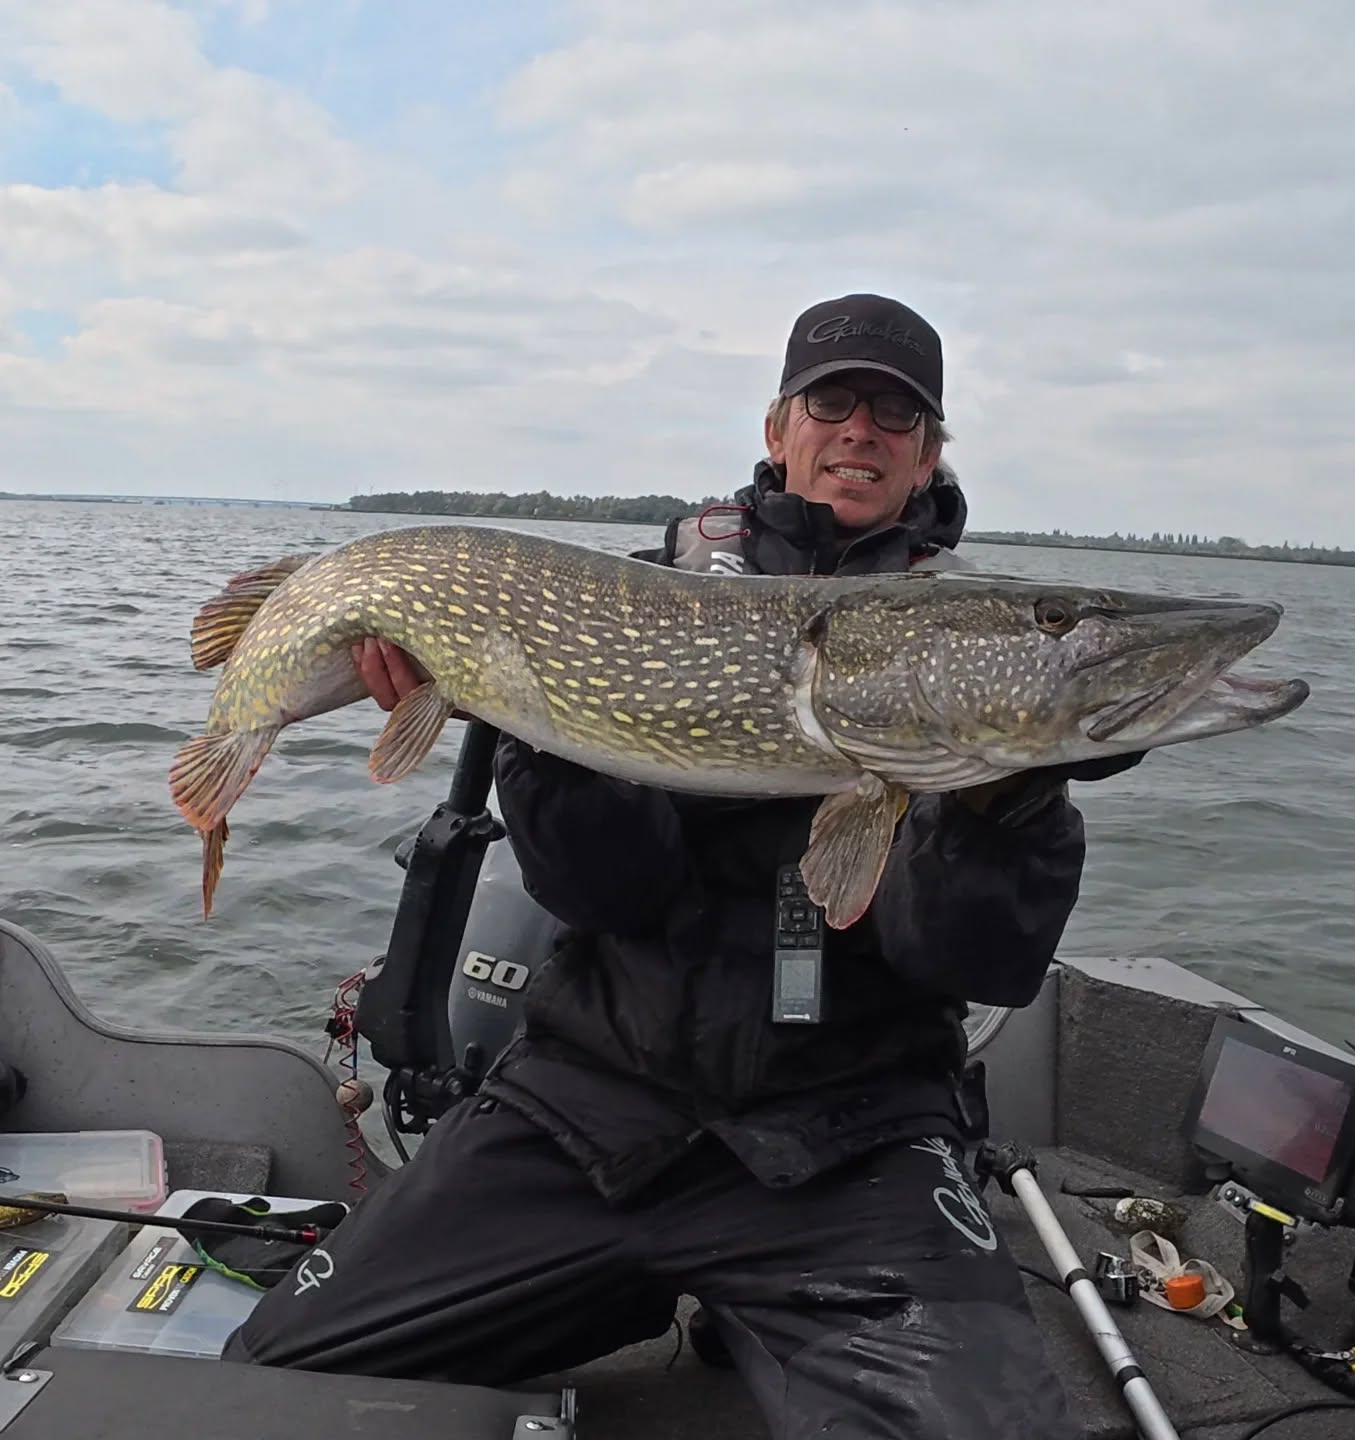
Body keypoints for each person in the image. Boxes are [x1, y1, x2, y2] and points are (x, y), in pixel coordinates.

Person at [224, 293, 1140, 1438]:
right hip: (592, 1103)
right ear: (778, 429)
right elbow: (606, 892)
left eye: (897, 415)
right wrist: (528, 720)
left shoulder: (965, 634)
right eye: (834, 401)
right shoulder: (647, 595)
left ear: (928, 457)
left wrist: (1012, 790)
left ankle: (755, 1300)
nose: (862, 428)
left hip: (855, 1137)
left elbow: (972, 956)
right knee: (270, 1373)